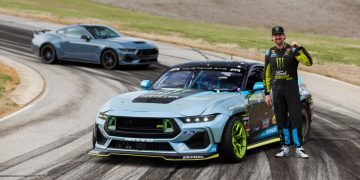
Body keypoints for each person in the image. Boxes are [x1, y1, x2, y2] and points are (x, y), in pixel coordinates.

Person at [263, 26, 312, 158]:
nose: (278, 37)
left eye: (280, 35)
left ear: (285, 36)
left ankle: (298, 147)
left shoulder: (293, 50)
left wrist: (300, 48)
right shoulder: (269, 53)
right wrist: (267, 93)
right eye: (275, 35)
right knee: (281, 119)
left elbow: (309, 62)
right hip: (277, 92)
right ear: (272, 38)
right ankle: (285, 147)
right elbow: (267, 74)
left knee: (295, 118)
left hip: (291, 91)